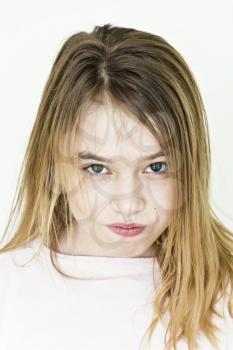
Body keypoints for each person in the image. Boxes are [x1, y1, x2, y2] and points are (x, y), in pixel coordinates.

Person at [0, 23, 232, 350]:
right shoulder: (7, 293)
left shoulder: (225, 294)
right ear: (53, 166)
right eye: (98, 168)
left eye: (156, 167)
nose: (128, 203)